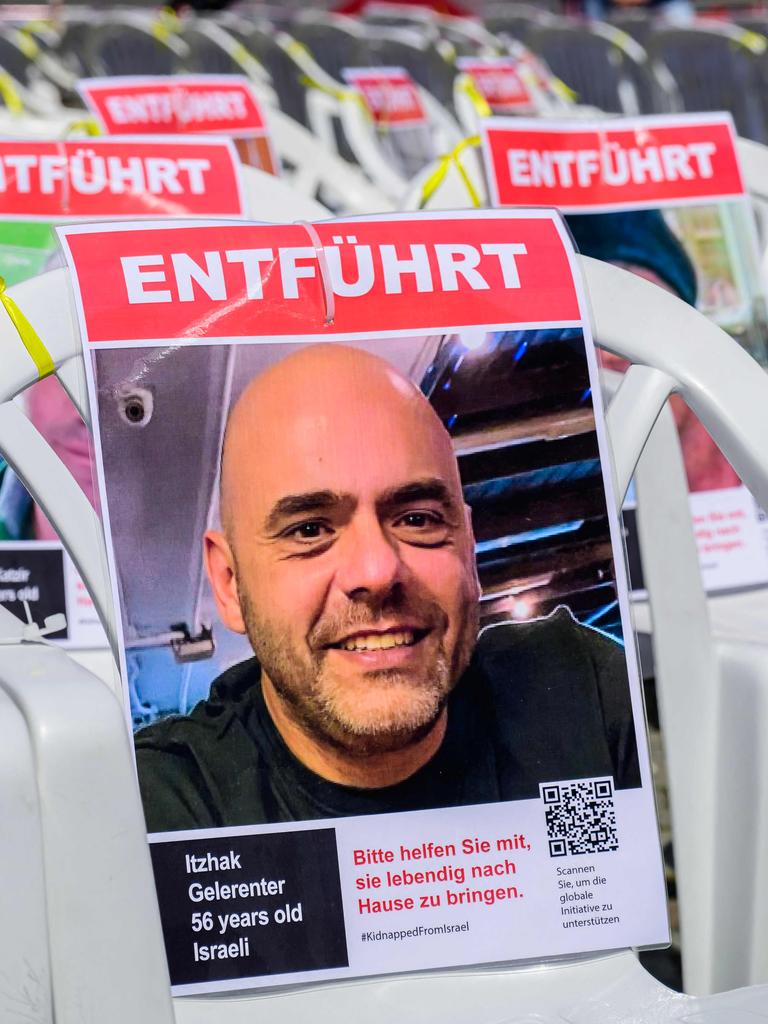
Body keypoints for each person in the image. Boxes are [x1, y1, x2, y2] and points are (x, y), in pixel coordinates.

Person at [135, 343, 640, 832]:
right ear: (229, 583)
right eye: (310, 530)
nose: (377, 572)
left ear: (469, 549)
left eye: (417, 519)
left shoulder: (581, 693)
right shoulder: (161, 805)